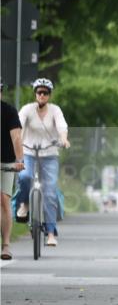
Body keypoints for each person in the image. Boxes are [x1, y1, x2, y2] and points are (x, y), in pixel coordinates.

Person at [16, 78, 69, 246]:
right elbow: (19, 126)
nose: (42, 95)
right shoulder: (27, 109)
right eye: (39, 92)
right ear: (35, 94)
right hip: (29, 152)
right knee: (24, 177)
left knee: (50, 191)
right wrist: (18, 143)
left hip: (50, 154)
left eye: (45, 93)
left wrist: (64, 139)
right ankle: (24, 203)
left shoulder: (55, 110)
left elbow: (62, 127)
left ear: (49, 95)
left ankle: (51, 233)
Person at [2, 83, 26, 260]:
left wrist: (19, 160)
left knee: (3, 199)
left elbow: (16, 137)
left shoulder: (9, 111)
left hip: (5, 161)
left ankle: (6, 245)